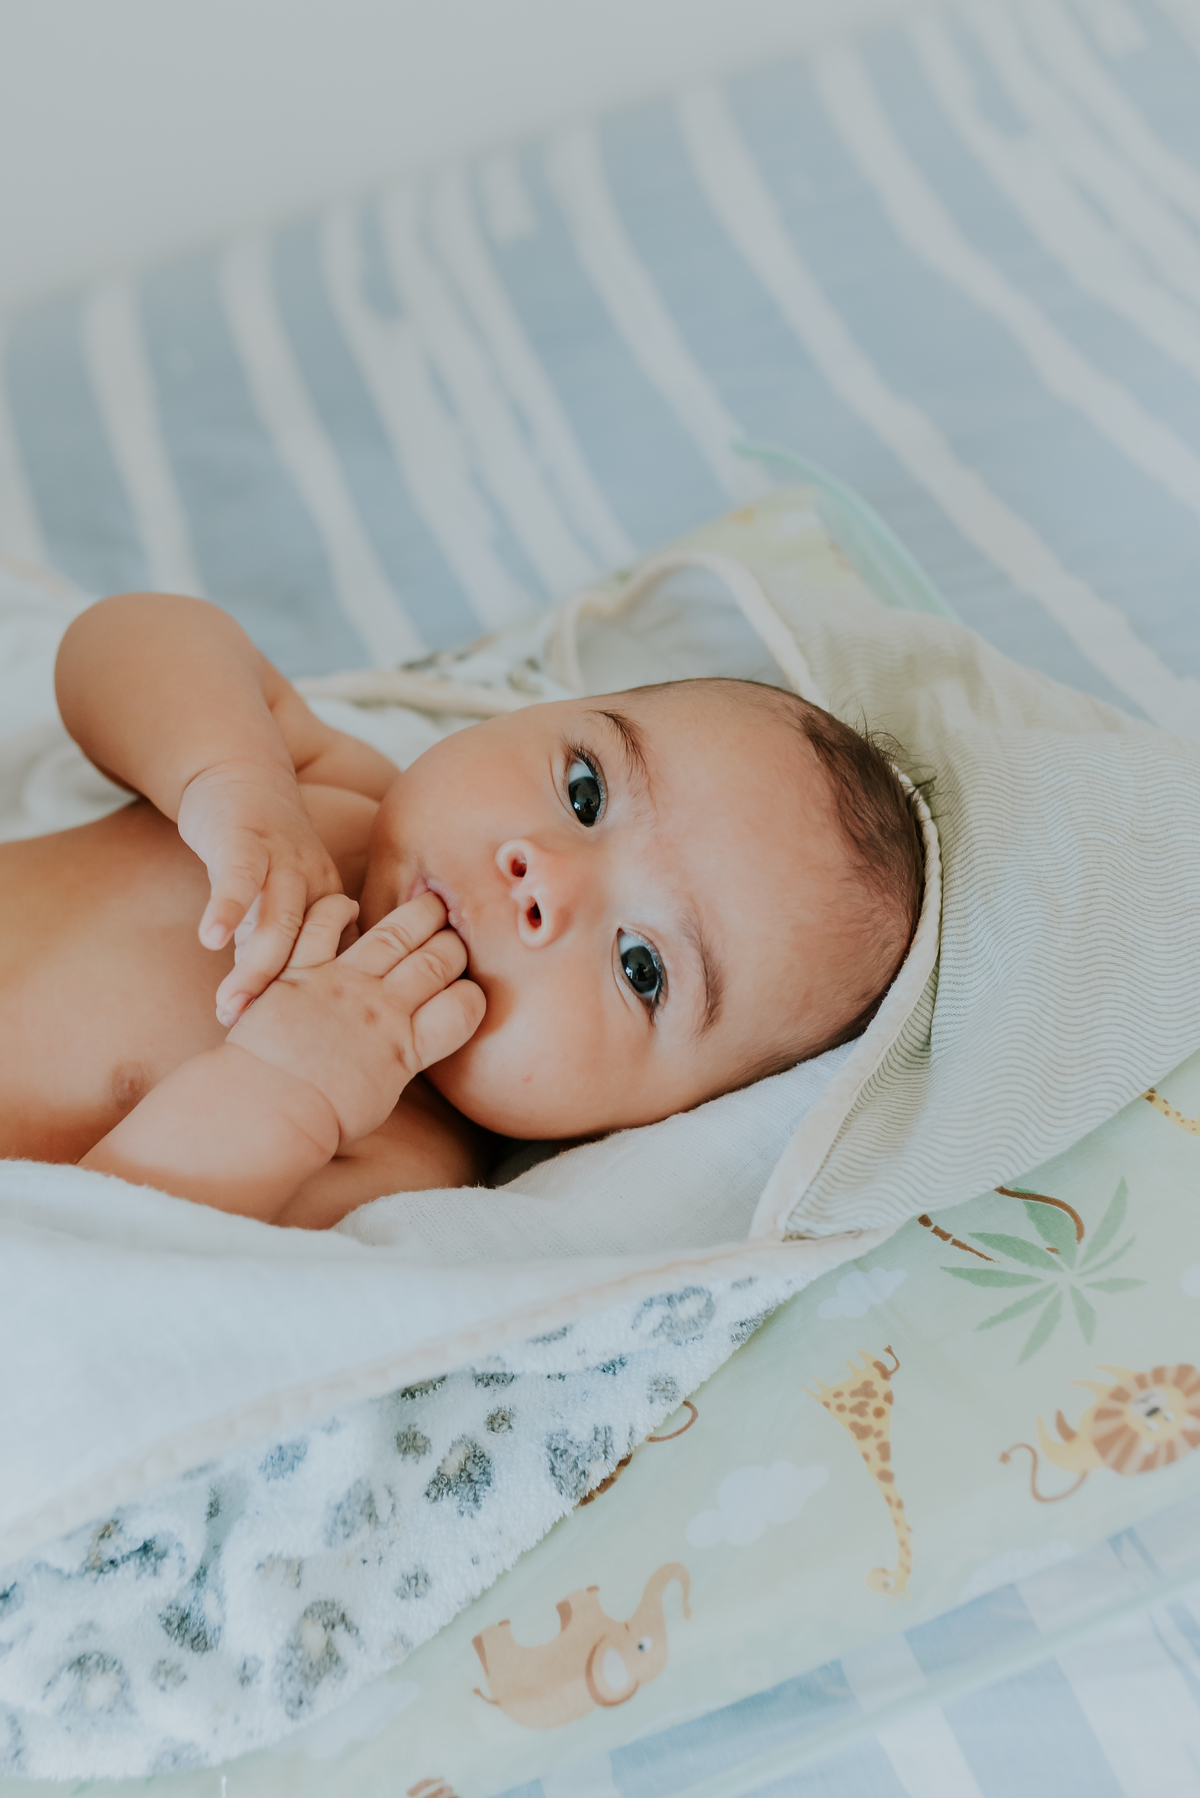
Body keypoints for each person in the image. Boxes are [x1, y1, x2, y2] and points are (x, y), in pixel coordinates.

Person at [0, 593, 923, 1228]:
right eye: (585, 789)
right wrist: (222, 772)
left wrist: (287, 1085)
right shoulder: (330, 791)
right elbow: (119, 642)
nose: (544, 880)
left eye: (642, 967)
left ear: (643, 1124)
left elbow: (101, 1266)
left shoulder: (392, 1156)